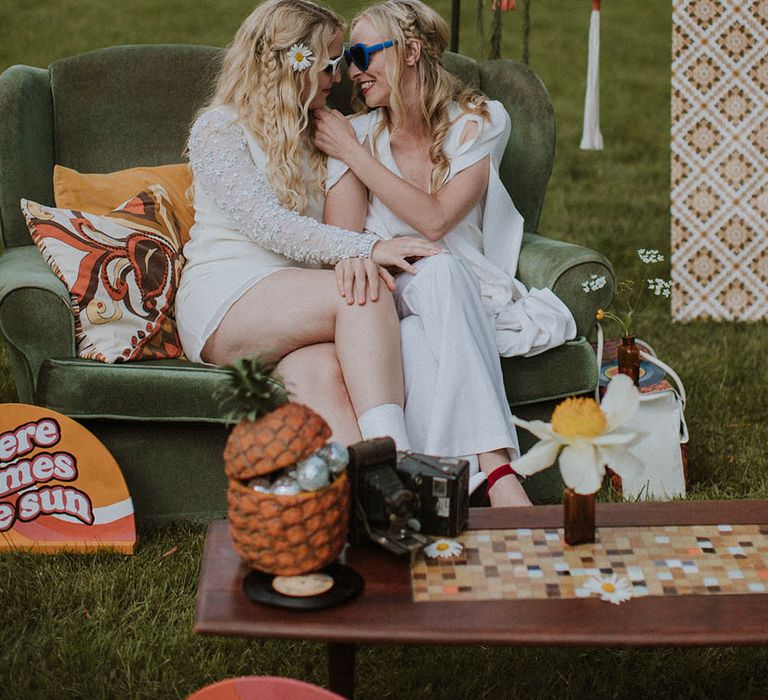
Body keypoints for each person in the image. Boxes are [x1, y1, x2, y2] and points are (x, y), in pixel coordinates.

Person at [314, 0, 577, 505]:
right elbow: (340, 243)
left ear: (410, 51)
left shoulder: (475, 122)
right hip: (385, 290)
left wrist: (352, 155)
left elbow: (437, 219)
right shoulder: (359, 134)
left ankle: (437, 494)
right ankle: (500, 473)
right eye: (348, 56)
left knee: (421, 324)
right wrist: (351, 151)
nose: (352, 71)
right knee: (433, 277)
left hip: (461, 288)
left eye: (363, 53)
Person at [175, 0, 438, 449]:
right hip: (228, 297)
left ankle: (375, 498)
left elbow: (341, 229)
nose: (337, 79)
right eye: (329, 65)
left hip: (296, 303)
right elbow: (268, 225)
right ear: (292, 63)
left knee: (326, 378)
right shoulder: (219, 129)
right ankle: (406, 459)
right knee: (367, 293)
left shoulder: (320, 135)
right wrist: (367, 251)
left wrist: (354, 252)